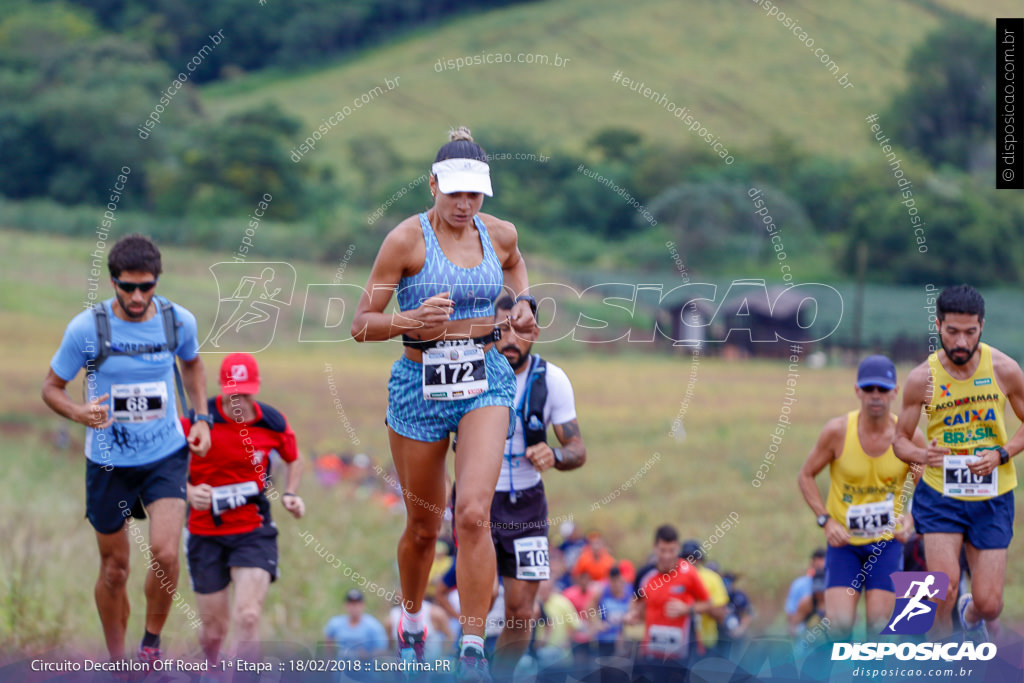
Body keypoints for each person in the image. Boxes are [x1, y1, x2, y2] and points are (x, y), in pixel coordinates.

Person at [350, 126, 536, 681]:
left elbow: (516, 266)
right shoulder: (405, 241)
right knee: (424, 527)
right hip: (417, 383)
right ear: (432, 185)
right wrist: (408, 320)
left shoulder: (499, 234)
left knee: (474, 515)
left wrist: (523, 304)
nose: (463, 204)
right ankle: (411, 618)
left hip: (485, 377)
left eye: (474, 195)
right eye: (453, 192)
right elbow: (360, 325)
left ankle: (473, 644)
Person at [41, 234, 211, 664]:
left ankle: (149, 647)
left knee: (166, 553)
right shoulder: (87, 328)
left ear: (157, 281)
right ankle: (117, 662)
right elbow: (51, 388)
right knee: (115, 570)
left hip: (165, 455)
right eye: (127, 287)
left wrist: (202, 417)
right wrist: (78, 413)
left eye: (146, 287)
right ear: (113, 281)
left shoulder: (177, 321)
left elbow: (191, 363)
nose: (137, 297)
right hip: (109, 461)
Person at [894, 284, 1024, 638]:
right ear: (938, 326)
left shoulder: (1004, 369)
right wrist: (924, 455)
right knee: (943, 588)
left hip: (992, 496)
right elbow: (900, 441)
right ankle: (943, 661)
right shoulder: (923, 378)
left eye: (970, 332)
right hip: (941, 496)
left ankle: (969, 617)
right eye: (952, 332)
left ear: (982, 325)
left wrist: (1002, 454)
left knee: (990, 603)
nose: (961, 342)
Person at [485, 295, 587, 675]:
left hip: (528, 506)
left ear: (535, 332)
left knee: (520, 610)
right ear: (489, 328)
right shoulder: (472, 370)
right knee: (479, 602)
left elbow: (577, 448)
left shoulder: (553, 379)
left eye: (522, 329)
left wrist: (555, 456)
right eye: (503, 328)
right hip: (478, 500)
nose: (511, 338)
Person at [183, 352, 305, 662]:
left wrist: (291, 493)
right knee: (213, 631)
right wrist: (187, 490)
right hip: (203, 530)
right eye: (232, 392)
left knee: (248, 617)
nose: (238, 399)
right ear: (222, 387)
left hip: (252, 528)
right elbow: (166, 465)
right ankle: (211, 670)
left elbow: (294, 458)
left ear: (256, 387)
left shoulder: (272, 422)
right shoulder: (198, 419)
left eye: (245, 392)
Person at [797, 355, 924, 639]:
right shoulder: (837, 432)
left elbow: (928, 487)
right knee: (839, 627)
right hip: (846, 546)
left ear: (895, 392)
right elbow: (805, 475)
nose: (875, 396)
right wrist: (826, 521)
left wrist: (911, 520)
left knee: (879, 629)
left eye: (882, 389)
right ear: (857, 391)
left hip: (886, 545)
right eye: (869, 389)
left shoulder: (909, 438)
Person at [627, 524, 711, 668]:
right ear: (655, 548)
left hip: (683, 655)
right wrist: (632, 615)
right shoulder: (645, 575)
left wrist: (687, 609)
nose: (667, 556)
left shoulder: (688, 572)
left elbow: (708, 603)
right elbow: (636, 604)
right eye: (662, 550)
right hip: (652, 653)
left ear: (678, 548)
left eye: (671, 550)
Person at [680, 540, 730, 655]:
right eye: (685, 557)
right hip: (679, 642)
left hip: (706, 642)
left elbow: (721, 614)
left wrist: (699, 605)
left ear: (700, 559)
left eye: (693, 557)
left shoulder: (712, 578)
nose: (689, 561)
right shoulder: (675, 577)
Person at [325, 589, 389, 660]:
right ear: (346, 605)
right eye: (351, 603)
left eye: (357, 603)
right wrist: (329, 659)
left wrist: (368, 655)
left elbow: (382, 649)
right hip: (342, 668)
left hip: (364, 668)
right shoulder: (336, 623)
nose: (354, 607)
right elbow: (328, 637)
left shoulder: (373, 625)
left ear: (363, 605)